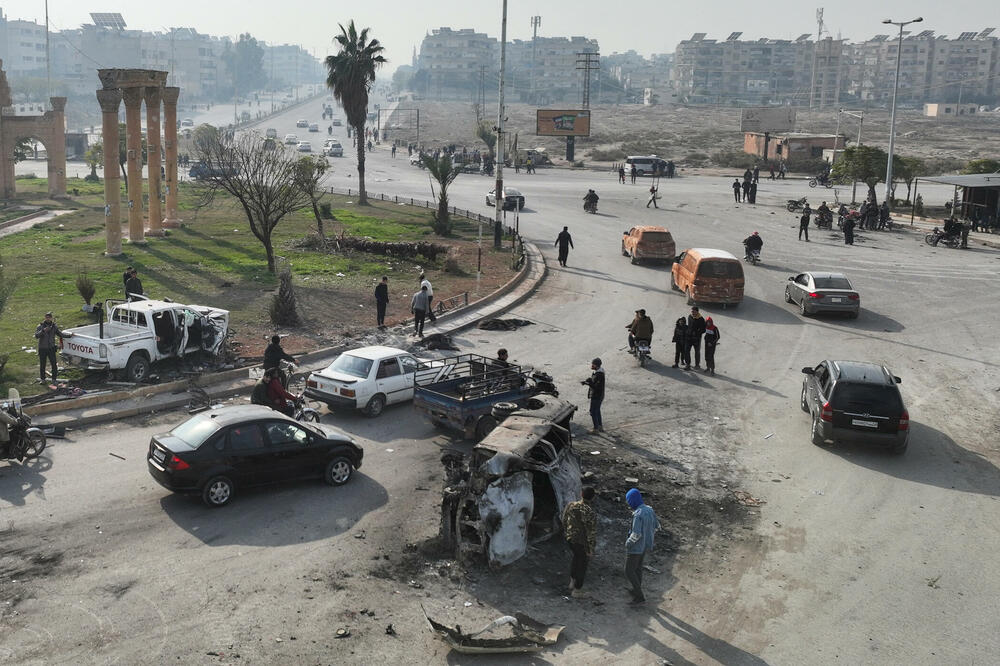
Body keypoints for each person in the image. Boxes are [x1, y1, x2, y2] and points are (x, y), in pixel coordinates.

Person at [624, 488, 660, 604]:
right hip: (645, 546)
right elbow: (657, 526)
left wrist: (628, 544)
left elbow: (636, 534)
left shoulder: (638, 514)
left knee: (629, 571)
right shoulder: (649, 510)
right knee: (638, 568)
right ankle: (636, 589)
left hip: (636, 548)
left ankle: (639, 596)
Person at [563, 486, 597, 598]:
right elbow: (591, 533)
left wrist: (568, 533)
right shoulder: (590, 512)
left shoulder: (571, 505)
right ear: (592, 498)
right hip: (582, 543)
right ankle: (577, 590)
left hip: (570, 539)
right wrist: (590, 549)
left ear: (581, 494)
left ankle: (571, 583)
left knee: (576, 559)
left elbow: (564, 520)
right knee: (582, 564)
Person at [35, 311, 72, 384]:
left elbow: (60, 334)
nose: (48, 318)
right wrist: (43, 331)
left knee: (54, 364)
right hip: (42, 348)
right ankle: (43, 379)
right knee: (42, 365)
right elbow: (36, 336)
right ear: (45, 318)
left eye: (49, 317)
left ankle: (54, 380)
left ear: (51, 318)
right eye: (46, 317)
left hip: (51, 348)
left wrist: (70, 335)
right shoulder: (40, 326)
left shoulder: (54, 326)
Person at [581, 358, 605, 433]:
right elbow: (593, 384)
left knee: (593, 412)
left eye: (593, 364)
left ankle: (596, 429)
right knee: (597, 411)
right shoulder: (596, 372)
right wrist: (586, 382)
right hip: (597, 395)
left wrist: (590, 382)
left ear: (597, 365)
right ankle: (600, 426)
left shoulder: (599, 375)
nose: (592, 365)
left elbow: (596, 387)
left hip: (597, 396)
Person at [686, 306, 706, 370]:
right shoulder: (689, 317)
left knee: (697, 352)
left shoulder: (701, 319)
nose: (692, 313)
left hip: (697, 339)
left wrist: (697, 333)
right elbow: (689, 326)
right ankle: (688, 364)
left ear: (697, 312)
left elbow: (703, 330)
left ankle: (697, 365)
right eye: (692, 311)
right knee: (687, 351)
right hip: (689, 338)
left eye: (694, 311)